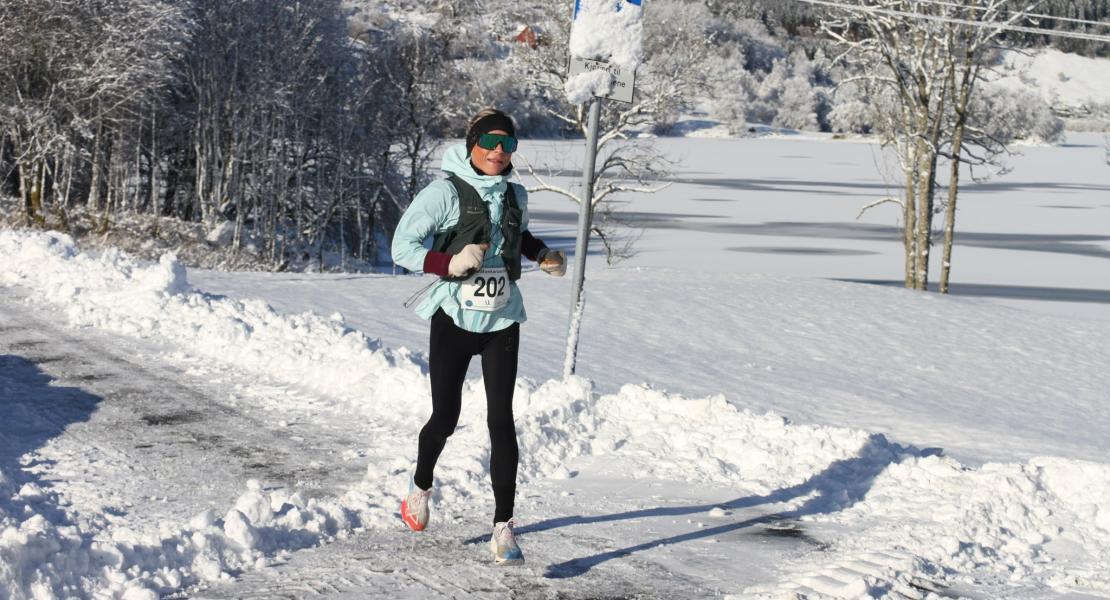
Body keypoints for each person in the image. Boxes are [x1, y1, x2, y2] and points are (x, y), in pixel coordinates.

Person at [391, 108, 566, 566]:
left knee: (501, 420)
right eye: (489, 142)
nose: (497, 151)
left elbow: (518, 235)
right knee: (445, 417)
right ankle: (420, 485)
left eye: (507, 145)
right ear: (471, 144)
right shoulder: (444, 192)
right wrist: (447, 263)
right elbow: (402, 247)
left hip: (501, 319)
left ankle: (503, 528)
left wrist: (541, 252)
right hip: (453, 317)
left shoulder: (516, 193)